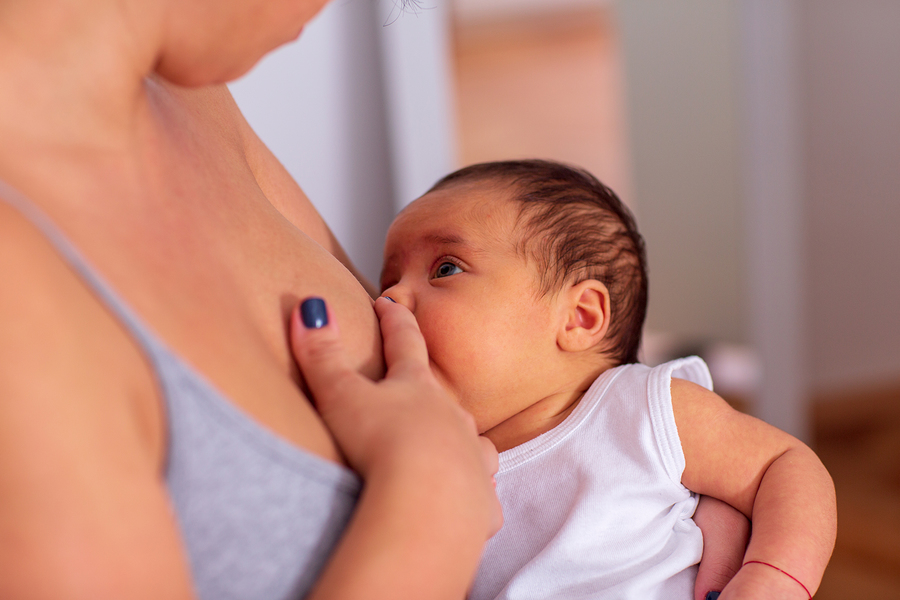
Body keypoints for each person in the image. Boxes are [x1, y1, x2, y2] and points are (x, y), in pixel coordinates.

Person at [0, 1, 746, 598]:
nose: (391, 299)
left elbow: (775, 476)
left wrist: (697, 527)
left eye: (446, 268)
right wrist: (429, 506)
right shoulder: (23, 294)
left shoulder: (193, 97)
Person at [379, 159, 837, 600]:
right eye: (387, 282)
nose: (390, 299)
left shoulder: (642, 409)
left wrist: (774, 576)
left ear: (579, 317)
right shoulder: (431, 461)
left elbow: (784, 464)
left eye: (445, 268)